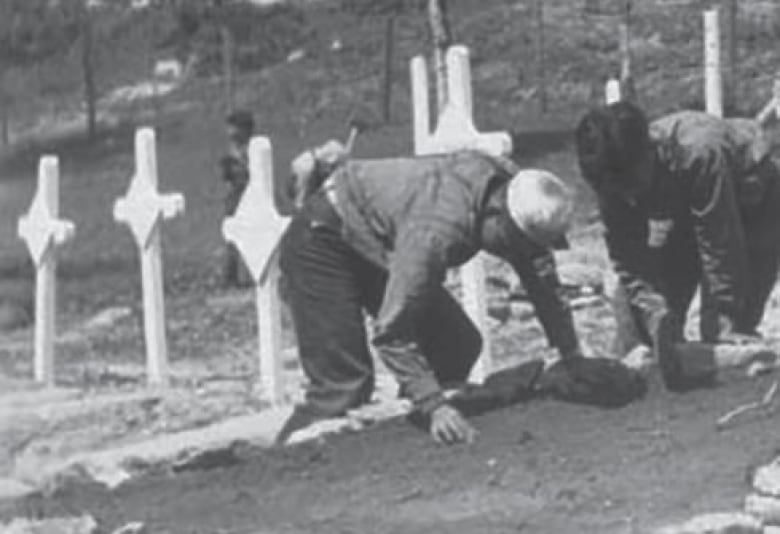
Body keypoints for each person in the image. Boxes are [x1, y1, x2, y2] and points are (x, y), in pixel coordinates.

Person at [278, 144, 590, 444]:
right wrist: (434, 405)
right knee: (343, 386)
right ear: (497, 217)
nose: (518, 255)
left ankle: (397, 441)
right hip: (322, 239)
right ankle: (286, 455)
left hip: (374, 237)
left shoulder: (514, 192)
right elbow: (392, 332)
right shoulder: (436, 233)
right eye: (516, 245)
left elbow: (542, 280)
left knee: (456, 344)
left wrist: (571, 354)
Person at [575, 102, 780, 388]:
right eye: (617, 190)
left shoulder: (697, 151)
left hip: (754, 197)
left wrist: (722, 317)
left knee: (730, 330)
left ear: (649, 154)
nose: (627, 196)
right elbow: (628, 257)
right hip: (685, 208)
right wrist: (655, 312)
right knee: (648, 331)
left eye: (631, 183)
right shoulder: (611, 176)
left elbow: (720, 242)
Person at [219, 110, 255, 288]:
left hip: (250, 196)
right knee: (232, 237)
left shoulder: (252, 149)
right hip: (234, 197)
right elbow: (227, 176)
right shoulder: (231, 152)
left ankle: (250, 273)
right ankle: (230, 276)